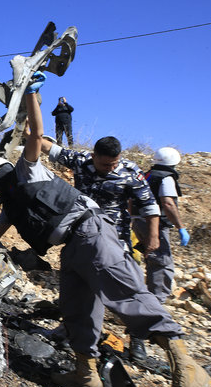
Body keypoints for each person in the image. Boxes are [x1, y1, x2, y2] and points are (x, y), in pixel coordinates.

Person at [0, 72, 211, 387]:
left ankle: (186, 367)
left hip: (94, 233)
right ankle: (85, 374)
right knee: (76, 308)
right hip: (72, 248)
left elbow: (37, 136)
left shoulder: (27, 173)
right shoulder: (13, 204)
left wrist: (32, 97)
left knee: (124, 293)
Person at [40, 135, 161, 361]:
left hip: (116, 242)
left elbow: (149, 205)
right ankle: (74, 334)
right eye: (105, 164)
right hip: (81, 239)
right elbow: (48, 147)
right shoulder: (80, 160)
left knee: (128, 292)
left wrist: (153, 237)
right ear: (94, 155)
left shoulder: (129, 171)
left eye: (114, 163)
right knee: (79, 292)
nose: (110, 168)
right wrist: (30, 132)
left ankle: (138, 340)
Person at [133, 147, 190, 303]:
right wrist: (181, 227)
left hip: (138, 221)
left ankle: (147, 295)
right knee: (162, 262)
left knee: (152, 259)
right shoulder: (166, 178)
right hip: (153, 224)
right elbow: (168, 203)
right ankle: (157, 301)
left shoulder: (147, 175)